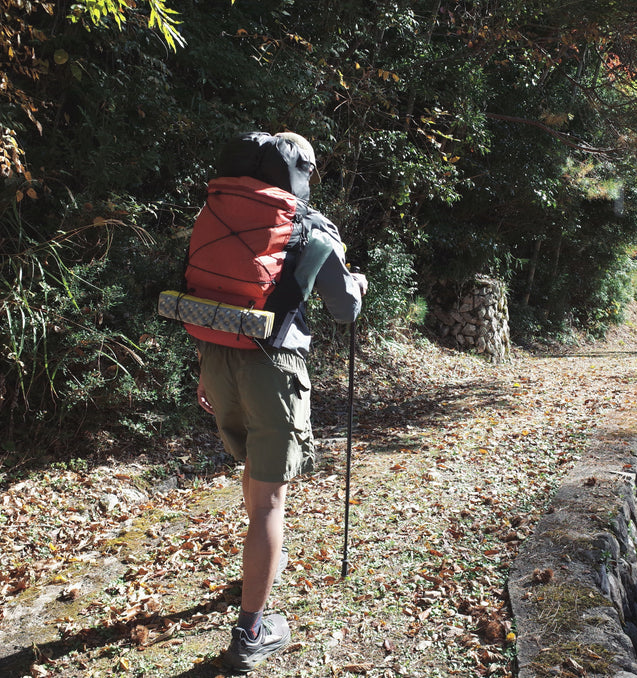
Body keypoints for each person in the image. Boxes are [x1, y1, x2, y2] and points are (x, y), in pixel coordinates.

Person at [192, 131, 367, 673]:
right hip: (273, 369)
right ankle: (252, 631)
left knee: (253, 472)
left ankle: (256, 571)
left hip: (217, 360)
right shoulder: (311, 230)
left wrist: (205, 369)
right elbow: (343, 310)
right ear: (300, 173)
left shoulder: (222, 212)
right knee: (270, 501)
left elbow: (215, 296)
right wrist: (356, 285)